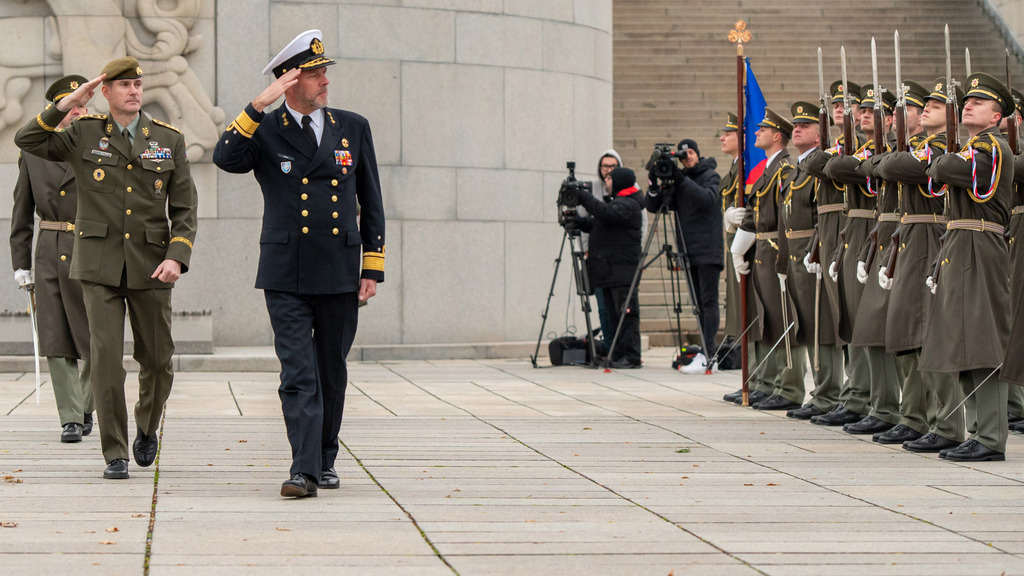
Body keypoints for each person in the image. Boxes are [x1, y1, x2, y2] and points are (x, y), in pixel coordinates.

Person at [213, 29, 386, 497]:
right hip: (286, 270)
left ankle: (325, 457)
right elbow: (225, 158)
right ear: (289, 82)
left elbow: (371, 199)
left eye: (324, 71)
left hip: (339, 268)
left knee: (331, 370)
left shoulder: (353, 126)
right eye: (314, 74)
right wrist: (257, 104)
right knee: (298, 372)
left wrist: (372, 266)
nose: (325, 80)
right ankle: (303, 469)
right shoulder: (266, 129)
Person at [15, 57, 198, 480]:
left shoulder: (167, 140)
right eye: (124, 85)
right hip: (98, 266)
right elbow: (28, 139)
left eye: (138, 84)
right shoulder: (83, 132)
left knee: (158, 360)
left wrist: (177, 255)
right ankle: (114, 451)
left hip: (153, 266)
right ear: (107, 92)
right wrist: (68, 104)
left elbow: (185, 208)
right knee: (106, 362)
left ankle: (147, 427)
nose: (134, 90)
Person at [921, 72, 1015, 461]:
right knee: (961, 340)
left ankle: (991, 436)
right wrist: (946, 159)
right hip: (959, 242)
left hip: (981, 242)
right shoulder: (971, 146)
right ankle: (976, 429)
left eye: (980, 103)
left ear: (997, 117)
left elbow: (947, 171)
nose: (969, 105)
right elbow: (936, 174)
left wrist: (946, 159)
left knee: (983, 340)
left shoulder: (993, 146)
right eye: (968, 100)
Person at [874, 79, 966, 452]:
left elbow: (891, 166)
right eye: (923, 104)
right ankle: (916, 416)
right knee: (905, 333)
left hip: (932, 239)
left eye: (935, 104)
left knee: (926, 332)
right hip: (910, 238)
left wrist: (889, 160)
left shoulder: (943, 149)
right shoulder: (924, 148)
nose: (926, 107)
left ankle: (943, 422)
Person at [9, 75, 94, 444]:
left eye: (82, 106)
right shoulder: (33, 151)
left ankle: (88, 403)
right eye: (70, 107)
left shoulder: (101, 144)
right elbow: (22, 209)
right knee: (56, 337)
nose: (77, 113)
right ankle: (70, 417)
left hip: (92, 247)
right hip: (50, 249)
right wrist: (20, 263)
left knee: (94, 334)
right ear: (56, 111)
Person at [826, 85, 902, 437]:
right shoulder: (865, 150)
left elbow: (862, 168)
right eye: (864, 110)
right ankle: (870, 400)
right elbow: (828, 164)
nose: (864, 114)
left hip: (884, 230)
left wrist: (865, 160)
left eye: (875, 110)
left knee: (879, 324)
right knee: (860, 322)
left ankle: (884, 403)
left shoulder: (893, 151)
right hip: (862, 231)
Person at [802, 80, 871, 426]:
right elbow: (812, 164)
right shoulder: (838, 145)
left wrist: (832, 154)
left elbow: (831, 168)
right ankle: (852, 392)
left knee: (856, 317)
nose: (841, 110)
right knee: (842, 316)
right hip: (832, 232)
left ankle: (859, 394)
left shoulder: (860, 145)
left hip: (852, 227)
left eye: (850, 105)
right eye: (836, 106)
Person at [730, 108, 805, 410]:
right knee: (766, 319)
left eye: (763, 130)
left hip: (775, 248)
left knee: (782, 319)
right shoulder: (768, 169)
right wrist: (739, 242)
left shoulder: (785, 169)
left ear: (777, 136)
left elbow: (783, 216)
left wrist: (785, 258)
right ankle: (768, 382)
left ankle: (788, 387)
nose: (756, 133)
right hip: (761, 248)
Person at [775, 101, 843, 419]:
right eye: (795, 124)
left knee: (821, 326)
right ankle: (819, 392)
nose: (797, 128)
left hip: (812, 250)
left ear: (821, 134)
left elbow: (823, 216)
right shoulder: (797, 170)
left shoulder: (817, 167)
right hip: (794, 252)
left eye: (806, 125)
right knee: (805, 323)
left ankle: (828, 394)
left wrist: (817, 249)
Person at [645, 138, 723, 371]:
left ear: (698, 154)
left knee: (708, 302)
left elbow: (707, 199)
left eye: (691, 152)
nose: (687, 156)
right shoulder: (679, 180)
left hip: (708, 249)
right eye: (683, 154)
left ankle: (710, 354)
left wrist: (680, 179)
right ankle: (705, 353)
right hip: (687, 251)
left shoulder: (711, 176)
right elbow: (655, 206)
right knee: (698, 303)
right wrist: (653, 181)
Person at [570, 167, 644, 368]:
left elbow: (608, 214)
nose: (606, 181)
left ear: (619, 181)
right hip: (610, 270)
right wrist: (578, 222)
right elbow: (599, 223)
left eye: (610, 178)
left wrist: (583, 197)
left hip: (622, 271)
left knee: (626, 314)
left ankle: (631, 356)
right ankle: (618, 353)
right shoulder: (618, 203)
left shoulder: (629, 204)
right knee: (613, 316)